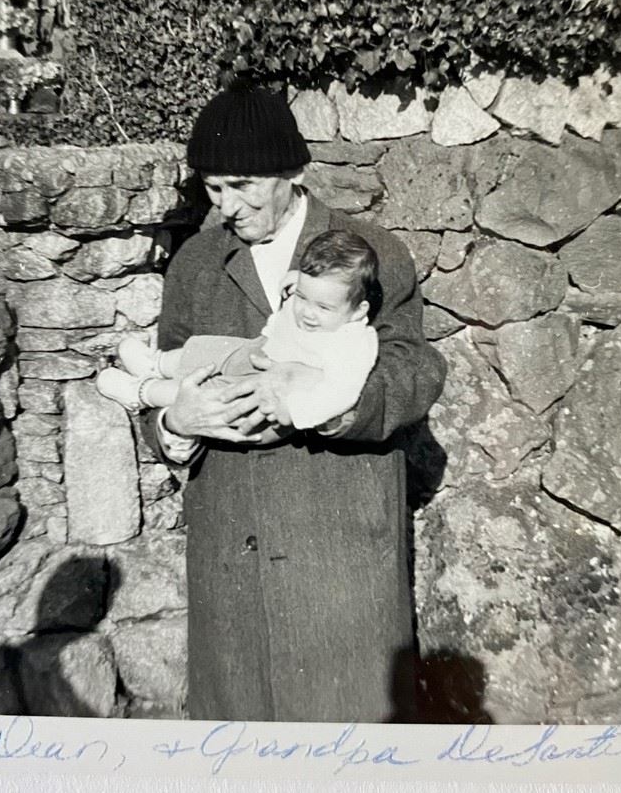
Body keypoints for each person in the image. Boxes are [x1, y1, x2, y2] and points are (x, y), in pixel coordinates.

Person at [143, 80, 446, 723]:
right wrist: (174, 423)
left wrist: (331, 407)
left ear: (294, 172)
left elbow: (415, 369)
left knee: (351, 739)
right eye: (212, 188)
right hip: (233, 548)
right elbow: (164, 378)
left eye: (243, 186)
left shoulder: (369, 251)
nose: (225, 206)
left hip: (337, 543)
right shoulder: (195, 264)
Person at [96, 228, 380, 432]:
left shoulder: (355, 343)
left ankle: (143, 391)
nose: (307, 312)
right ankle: (155, 363)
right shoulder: (324, 295)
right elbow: (317, 290)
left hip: (264, 387)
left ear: (359, 311)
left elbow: (342, 392)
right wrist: (300, 282)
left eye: (323, 308)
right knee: (208, 349)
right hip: (259, 347)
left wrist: (295, 412)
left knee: (210, 394)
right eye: (303, 298)